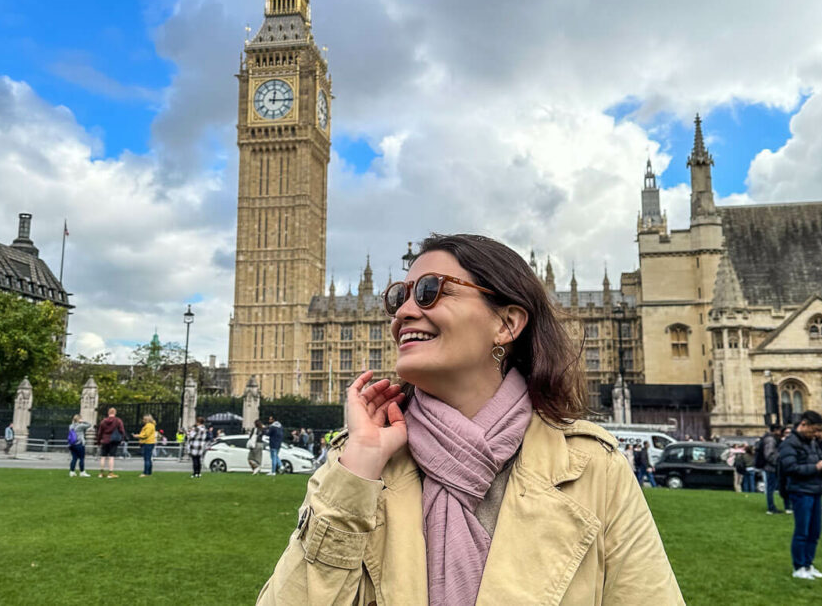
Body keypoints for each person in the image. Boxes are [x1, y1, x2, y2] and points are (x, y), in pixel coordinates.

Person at [258, 233, 683, 604]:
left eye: (429, 291)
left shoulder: (594, 471)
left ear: (507, 323)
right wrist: (358, 467)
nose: (403, 312)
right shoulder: (359, 467)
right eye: (397, 297)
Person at [780, 410, 822, 580]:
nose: (817, 434)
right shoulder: (790, 443)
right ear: (803, 424)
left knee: (814, 532)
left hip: (815, 489)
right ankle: (798, 567)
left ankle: (808, 565)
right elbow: (791, 468)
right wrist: (815, 467)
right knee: (802, 532)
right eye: (814, 430)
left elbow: (817, 459)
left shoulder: (812, 442)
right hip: (800, 491)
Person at [757, 424, 784, 514]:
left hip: (770, 466)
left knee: (771, 487)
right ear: (775, 430)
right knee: (770, 488)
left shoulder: (769, 439)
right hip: (771, 467)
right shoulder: (770, 440)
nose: (781, 432)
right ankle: (771, 507)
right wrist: (777, 462)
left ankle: (771, 507)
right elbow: (769, 454)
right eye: (779, 430)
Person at [96, 407, 125, 478]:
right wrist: (122, 439)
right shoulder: (118, 421)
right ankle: (110, 473)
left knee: (103, 457)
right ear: (115, 413)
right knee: (111, 457)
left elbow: (100, 432)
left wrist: (98, 441)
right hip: (113, 440)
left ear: (108, 413)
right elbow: (122, 430)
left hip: (104, 440)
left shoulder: (103, 421)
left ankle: (101, 473)